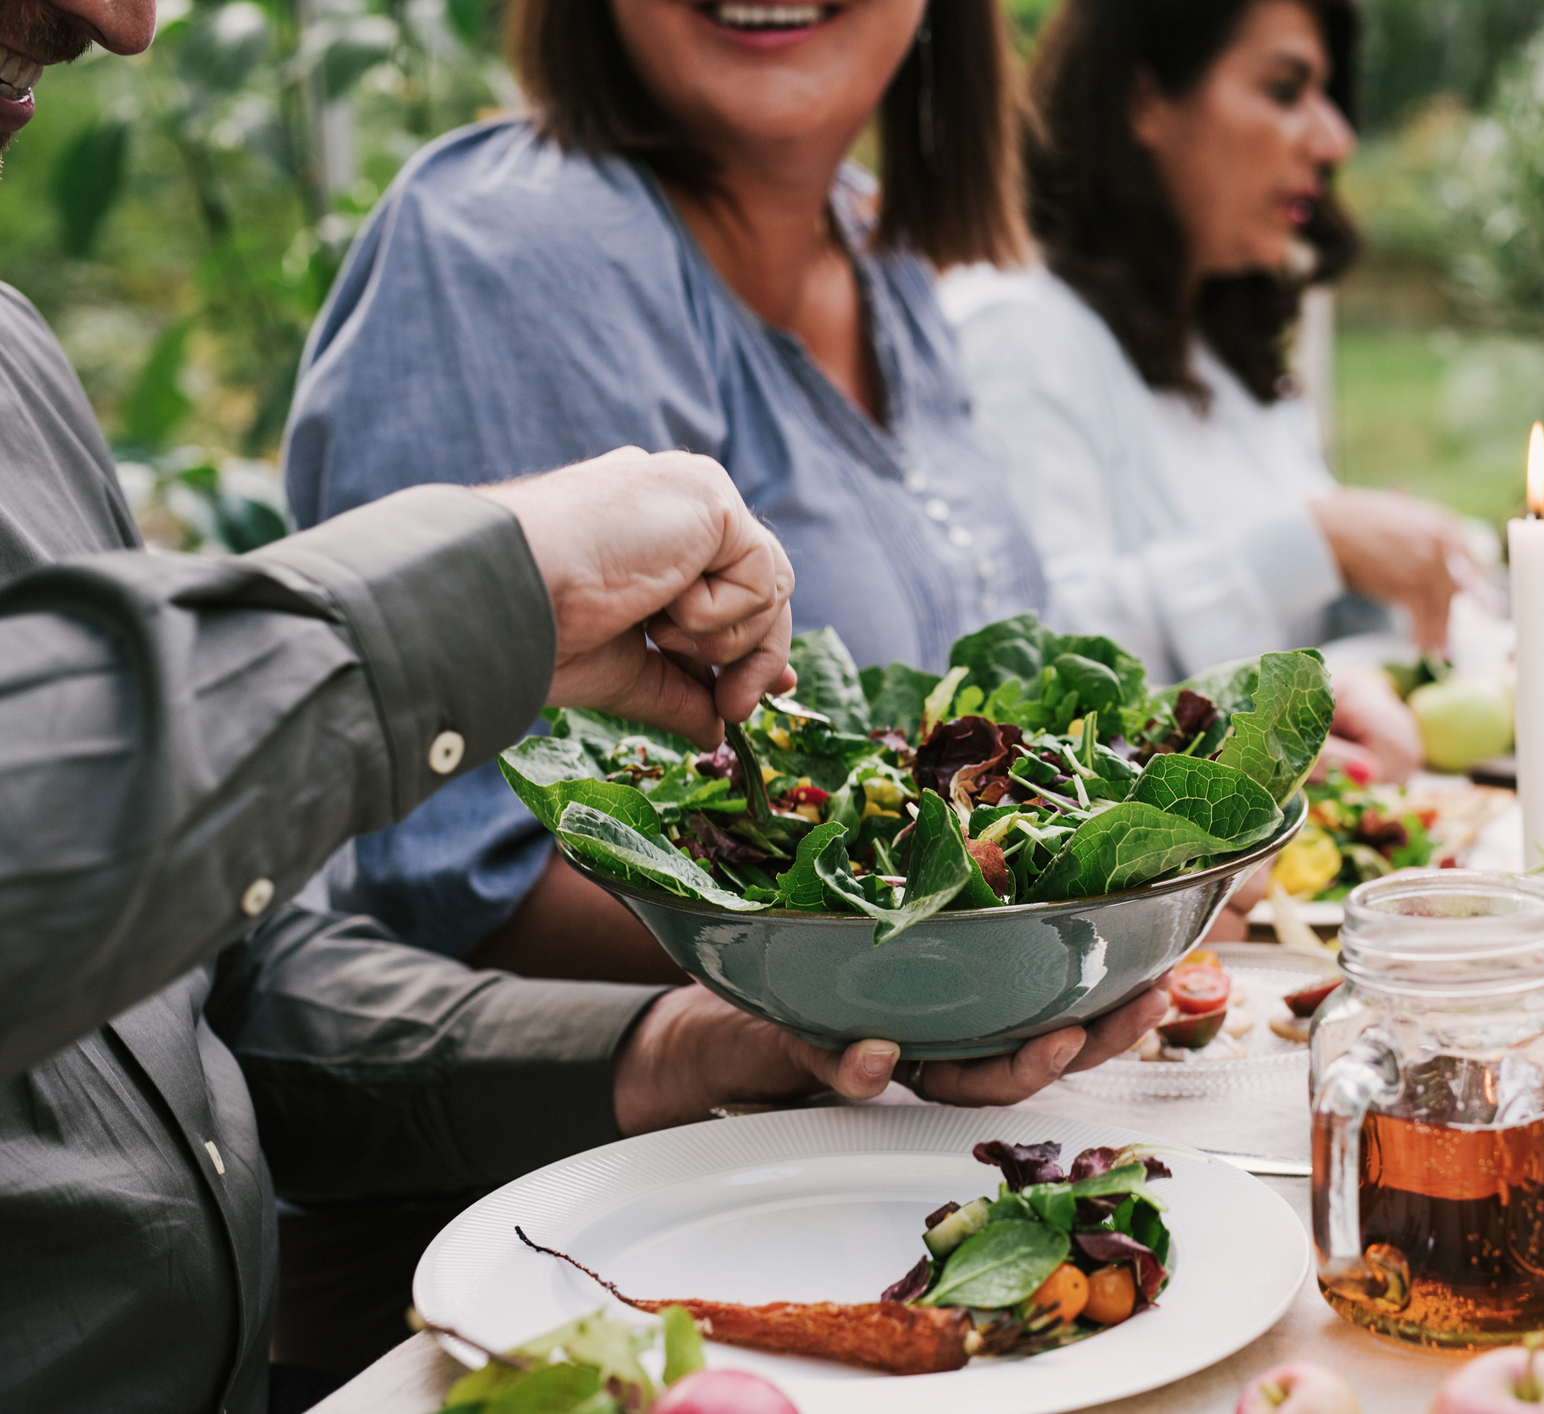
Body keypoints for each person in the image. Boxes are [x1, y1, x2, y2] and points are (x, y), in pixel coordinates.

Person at [0, 3, 1165, 1408]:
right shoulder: (515, 241)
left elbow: (214, 996)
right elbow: (439, 878)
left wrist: (697, 1040)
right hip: (549, 1267)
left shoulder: (17, 371)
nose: (124, 21)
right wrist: (494, 593)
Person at [280, 0, 1052, 978]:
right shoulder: (522, 241)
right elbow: (468, 884)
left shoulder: (876, 246)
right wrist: (977, 946)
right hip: (662, 1125)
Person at [941, 0, 1466, 782]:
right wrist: (1317, 540)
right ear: (1143, 101)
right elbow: (1023, 666)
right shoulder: (1015, 333)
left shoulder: (1226, 345)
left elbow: (1310, 633)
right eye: (1284, 90)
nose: (1334, 140)